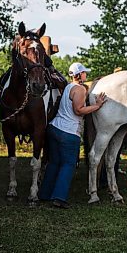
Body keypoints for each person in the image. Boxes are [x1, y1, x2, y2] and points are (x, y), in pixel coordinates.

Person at [39, 62, 107, 208]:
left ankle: (44, 194)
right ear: (79, 75)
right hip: (69, 132)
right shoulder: (80, 89)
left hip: (55, 128)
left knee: (54, 163)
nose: (86, 74)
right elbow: (78, 110)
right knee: (68, 165)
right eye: (84, 72)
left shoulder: (68, 87)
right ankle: (59, 197)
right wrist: (97, 106)